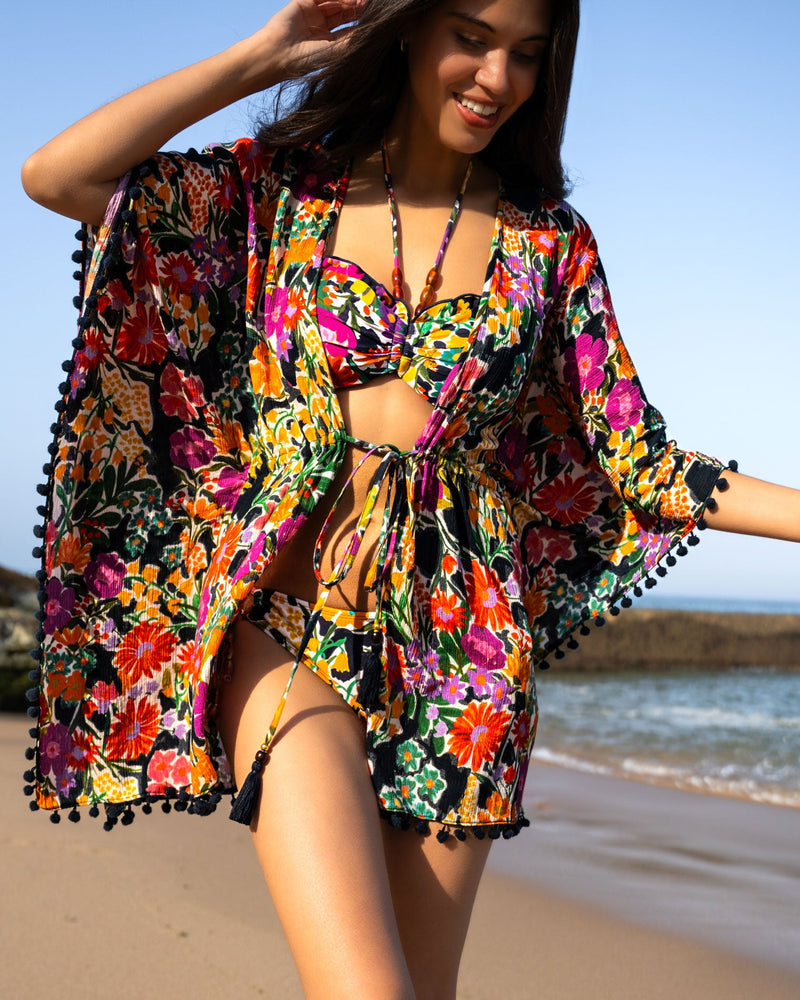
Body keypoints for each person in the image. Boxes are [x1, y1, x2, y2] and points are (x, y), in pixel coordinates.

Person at [20, 1, 800, 998]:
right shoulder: (276, 197)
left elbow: (641, 464)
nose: (495, 78)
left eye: (525, 54)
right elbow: (61, 177)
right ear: (410, 26)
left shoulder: (547, 246)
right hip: (291, 631)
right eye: (470, 37)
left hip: (468, 667)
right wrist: (264, 55)